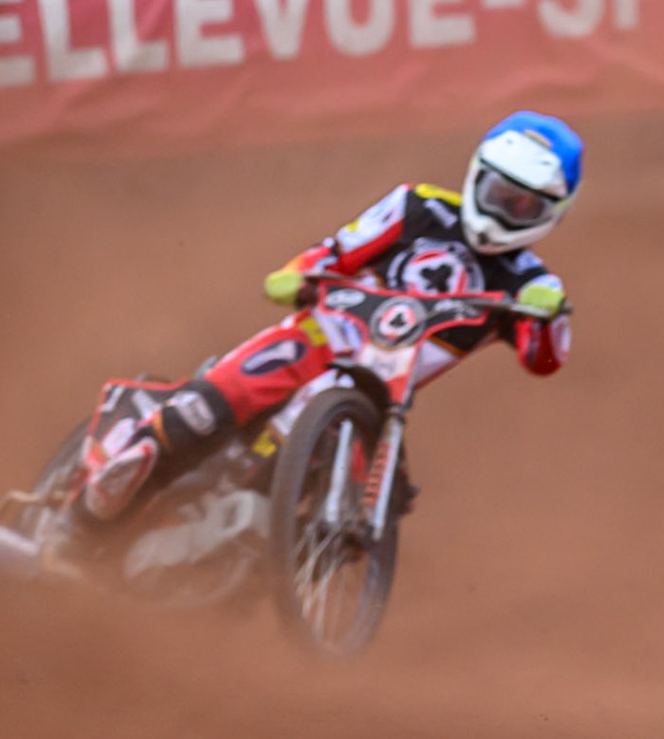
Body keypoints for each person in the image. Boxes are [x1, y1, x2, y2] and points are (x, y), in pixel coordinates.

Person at [75, 111, 582, 524]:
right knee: (211, 404)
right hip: (324, 335)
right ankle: (80, 518)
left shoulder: (532, 283)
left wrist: (548, 316)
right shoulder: (417, 206)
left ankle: (276, 554)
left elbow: (545, 359)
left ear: (552, 213)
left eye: (524, 206)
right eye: (500, 195)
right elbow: (337, 250)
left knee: (336, 495)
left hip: (380, 397)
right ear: (476, 178)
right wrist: (297, 274)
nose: (505, 212)